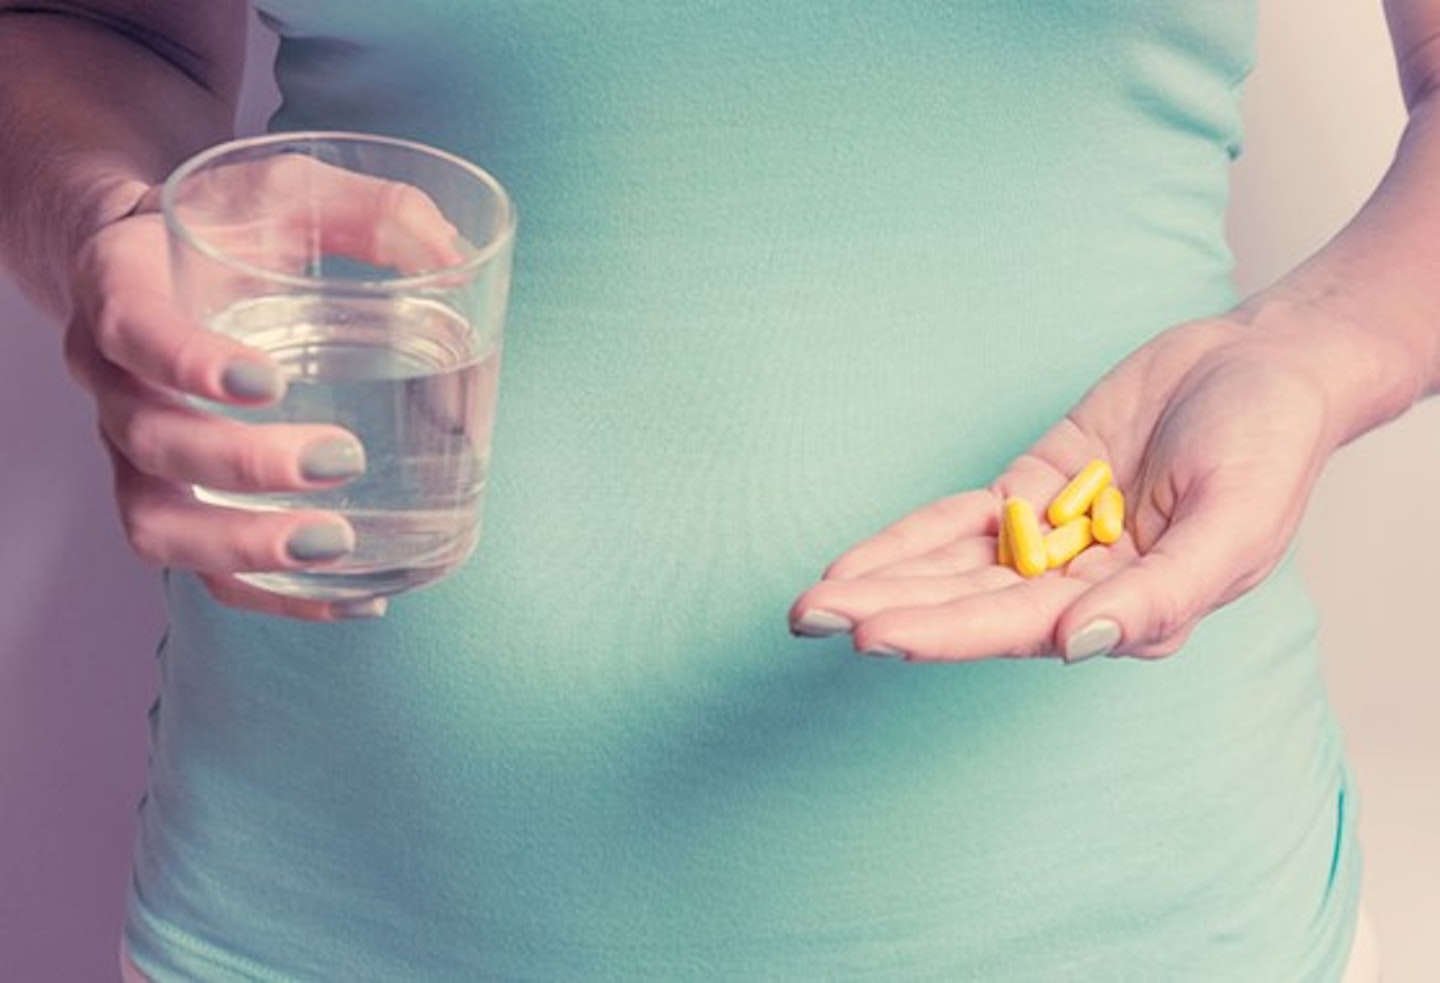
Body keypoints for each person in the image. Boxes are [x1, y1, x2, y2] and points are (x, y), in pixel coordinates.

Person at [0, 0, 1430, 978]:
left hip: (1141, 920)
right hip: (343, 906)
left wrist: (1308, 353)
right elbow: (93, 29)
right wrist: (116, 228)